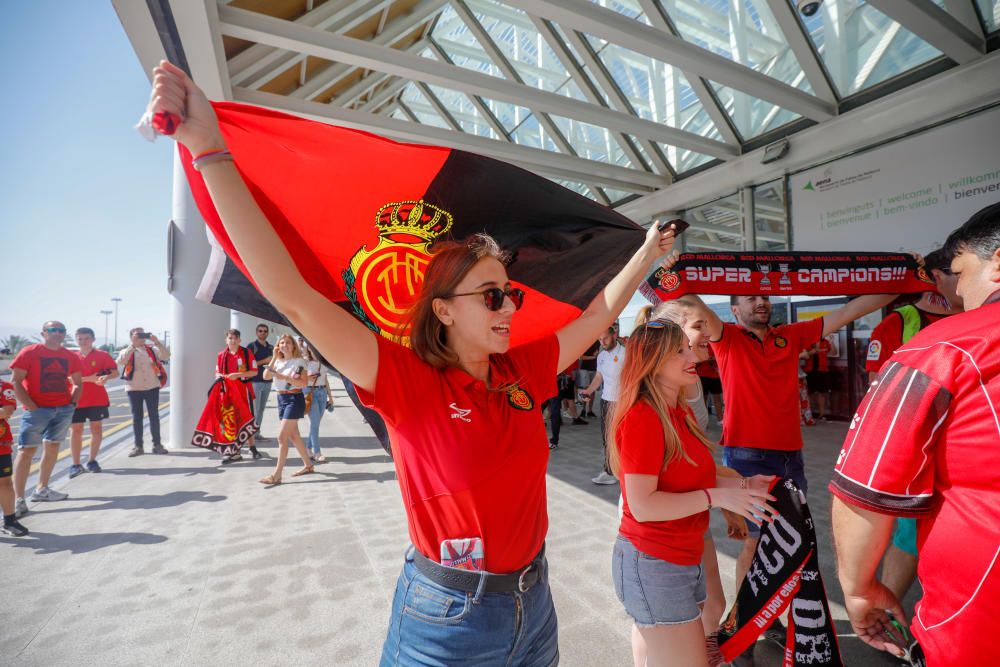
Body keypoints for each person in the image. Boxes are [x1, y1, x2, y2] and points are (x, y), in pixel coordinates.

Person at [146, 56, 677, 666]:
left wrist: (644, 254)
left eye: (512, 293)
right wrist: (210, 150)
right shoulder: (402, 378)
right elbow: (292, 294)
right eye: (493, 295)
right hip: (448, 619)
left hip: (535, 604)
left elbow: (592, 319)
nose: (510, 307)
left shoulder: (521, 370)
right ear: (444, 311)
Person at [671, 266, 898, 665]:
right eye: (751, 299)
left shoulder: (789, 336)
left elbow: (854, 309)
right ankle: (742, 626)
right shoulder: (726, 339)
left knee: (788, 543)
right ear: (735, 310)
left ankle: (766, 617)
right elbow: (691, 303)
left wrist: (904, 278)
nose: (761, 302)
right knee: (756, 543)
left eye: (765, 297)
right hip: (746, 457)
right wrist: (675, 268)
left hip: (791, 457)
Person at [829, 202, 1000, 666]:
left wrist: (858, 587)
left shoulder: (945, 344)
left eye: (961, 271)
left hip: (975, 623)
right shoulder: (902, 326)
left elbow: (863, 488)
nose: (958, 288)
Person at [609, 319, 776, 667]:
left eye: (688, 348)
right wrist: (718, 497)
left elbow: (695, 474)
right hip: (654, 563)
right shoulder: (642, 417)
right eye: (678, 351)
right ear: (652, 361)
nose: (693, 357)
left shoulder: (678, 410)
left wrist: (745, 485)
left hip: (683, 558)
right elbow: (642, 506)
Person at [863, 247, 964, 606]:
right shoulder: (897, 322)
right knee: (907, 539)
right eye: (956, 271)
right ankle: (888, 621)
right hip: (920, 455)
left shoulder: (978, 315)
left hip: (969, 454)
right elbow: (878, 398)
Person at [10, 321, 83, 517]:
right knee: (26, 452)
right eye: (53, 330)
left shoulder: (69, 356)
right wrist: (31, 406)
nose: (57, 333)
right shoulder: (30, 352)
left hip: (63, 409)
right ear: (43, 333)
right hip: (37, 411)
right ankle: (18, 500)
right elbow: (15, 381)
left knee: (52, 447)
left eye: (61, 331)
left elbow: (77, 382)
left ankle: (42, 489)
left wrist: (72, 404)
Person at [259, 334, 314, 484]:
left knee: (281, 437)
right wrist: (274, 358)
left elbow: (303, 383)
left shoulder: (299, 361)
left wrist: (283, 377)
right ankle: (308, 465)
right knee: (294, 436)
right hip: (281, 399)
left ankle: (277, 475)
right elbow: (265, 376)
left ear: (293, 346)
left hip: (294, 399)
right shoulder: (278, 362)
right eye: (282, 343)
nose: (285, 345)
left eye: (288, 342)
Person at [68, 327, 118, 477]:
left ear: (93, 339)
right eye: (80, 339)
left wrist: (105, 377)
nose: (83, 342)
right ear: (76, 340)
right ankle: (76, 464)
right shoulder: (71, 356)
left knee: (96, 429)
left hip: (97, 399)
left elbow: (115, 372)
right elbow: (68, 378)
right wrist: (90, 379)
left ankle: (92, 461)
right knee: (76, 431)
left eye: (86, 338)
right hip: (76, 399)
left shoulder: (102, 355)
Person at [581, 327, 626, 485]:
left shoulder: (626, 354)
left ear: (614, 334)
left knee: (622, 439)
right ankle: (610, 471)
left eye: (605, 338)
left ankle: (623, 471)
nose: (603, 342)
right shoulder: (601, 356)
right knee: (608, 439)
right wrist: (588, 390)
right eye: (599, 340)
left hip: (623, 403)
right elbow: (599, 377)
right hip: (606, 402)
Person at [117, 327, 169, 457]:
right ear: (131, 337)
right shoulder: (127, 350)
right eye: (137, 335)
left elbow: (166, 355)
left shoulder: (152, 349)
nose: (141, 337)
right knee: (137, 418)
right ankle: (138, 446)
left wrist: (157, 342)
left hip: (152, 387)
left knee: (154, 416)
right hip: (134, 388)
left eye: (142, 334)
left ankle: (157, 445)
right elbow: (121, 361)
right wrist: (132, 345)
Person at [215, 328, 261, 462]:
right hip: (228, 393)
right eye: (230, 338)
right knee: (231, 421)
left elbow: (254, 372)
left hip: (244, 391)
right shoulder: (221, 355)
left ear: (239, 340)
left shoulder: (246, 353)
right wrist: (219, 378)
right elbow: (217, 372)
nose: (232, 340)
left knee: (247, 420)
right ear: (226, 340)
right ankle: (235, 452)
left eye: (235, 338)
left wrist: (238, 375)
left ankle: (252, 448)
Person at [1, 379, 29, 536]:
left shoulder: (4, 386)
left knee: (4, 483)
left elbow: (7, 411)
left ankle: (9, 521)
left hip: (1, 445)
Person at [302, 343, 333, 463]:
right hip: (310, 393)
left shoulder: (323, 362)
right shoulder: (304, 362)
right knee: (314, 423)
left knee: (316, 423)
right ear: (308, 348)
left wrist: (330, 397)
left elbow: (325, 379)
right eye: (311, 346)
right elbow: (298, 379)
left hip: (322, 392)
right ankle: (317, 452)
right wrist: (308, 378)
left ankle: (308, 448)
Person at [246, 322, 274, 440]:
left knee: (261, 409)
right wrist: (264, 361)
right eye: (260, 331)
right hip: (255, 382)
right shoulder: (251, 346)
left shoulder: (271, 348)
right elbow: (248, 365)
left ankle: (257, 433)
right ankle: (250, 435)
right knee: (255, 409)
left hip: (268, 382)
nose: (263, 333)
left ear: (267, 333)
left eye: (265, 331)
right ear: (257, 332)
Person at [803, 335, 832, 421]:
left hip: (822, 370)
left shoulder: (825, 342)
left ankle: (822, 414)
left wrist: (832, 342)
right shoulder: (809, 342)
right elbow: (806, 354)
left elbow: (831, 351)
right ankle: (809, 414)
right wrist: (815, 350)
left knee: (821, 393)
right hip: (810, 370)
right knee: (809, 393)